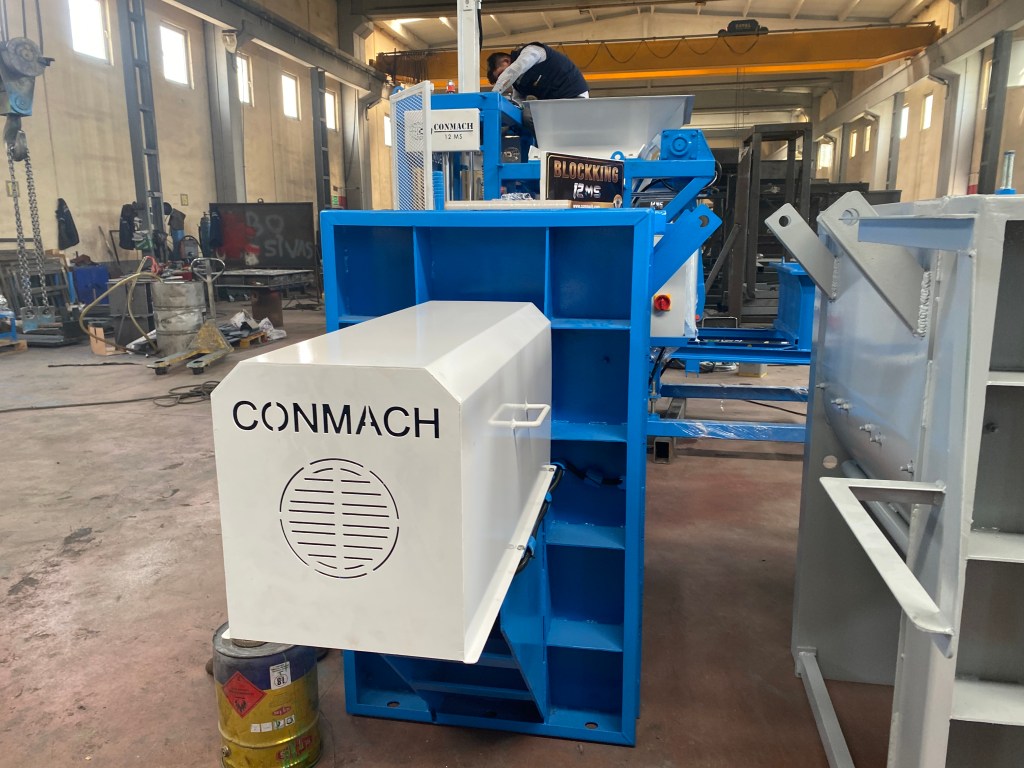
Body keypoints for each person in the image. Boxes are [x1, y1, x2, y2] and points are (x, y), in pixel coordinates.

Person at [487, 43, 589, 101]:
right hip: (556, 105)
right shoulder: (518, 83)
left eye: (501, 74)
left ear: (506, 61)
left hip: (575, 97)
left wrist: (492, 97)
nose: (503, 78)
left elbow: (515, 69)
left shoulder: (531, 51)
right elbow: (518, 101)